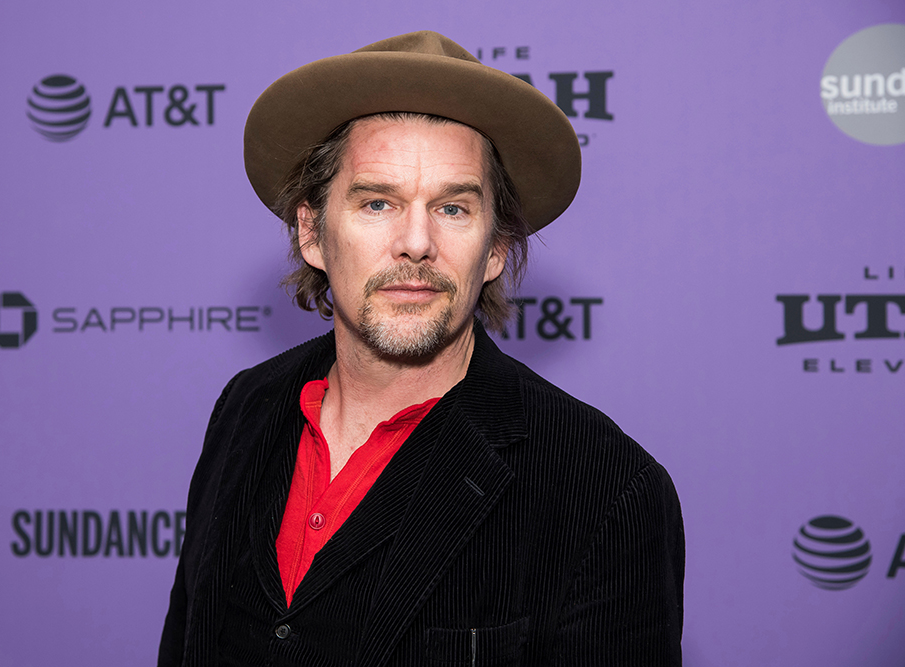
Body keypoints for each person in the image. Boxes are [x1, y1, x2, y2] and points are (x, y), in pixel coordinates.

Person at [159, 31, 684, 667]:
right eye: (377, 202)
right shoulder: (246, 406)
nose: (416, 241)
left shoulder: (608, 490)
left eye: (454, 208)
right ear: (311, 231)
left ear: (495, 249)